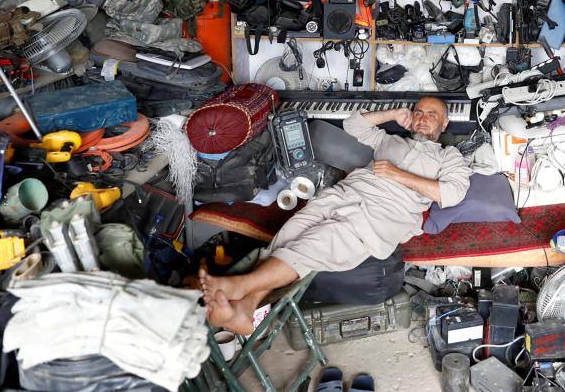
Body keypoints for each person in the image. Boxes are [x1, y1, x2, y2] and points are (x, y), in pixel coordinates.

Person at [200, 96, 471, 332]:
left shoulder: (449, 157)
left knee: (314, 244)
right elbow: (353, 124)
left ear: (445, 124)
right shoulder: (390, 140)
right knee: (287, 237)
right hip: (343, 194)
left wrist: (398, 174)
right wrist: (392, 114)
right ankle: (246, 309)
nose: (423, 119)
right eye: (419, 113)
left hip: (379, 216)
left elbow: (452, 193)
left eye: (432, 115)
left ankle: (239, 286)